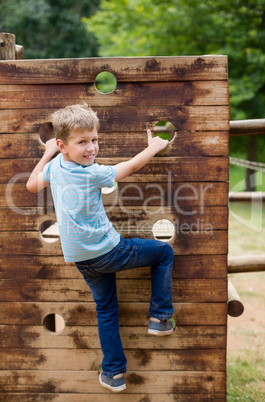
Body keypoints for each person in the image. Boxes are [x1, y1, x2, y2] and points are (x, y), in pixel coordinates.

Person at [26, 103, 174, 393]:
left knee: (106, 309)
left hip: (82, 259)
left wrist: (46, 154)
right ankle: (160, 317)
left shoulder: (55, 167)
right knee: (164, 252)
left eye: (94, 139)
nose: (91, 147)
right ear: (63, 145)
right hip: (110, 251)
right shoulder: (92, 173)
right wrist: (154, 146)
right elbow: (128, 167)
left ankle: (113, 374)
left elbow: (32, 185)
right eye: (82, 142)